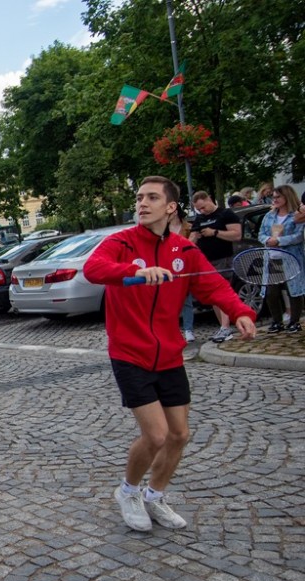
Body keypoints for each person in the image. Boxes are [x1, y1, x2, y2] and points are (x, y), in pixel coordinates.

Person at [83, 175, 256, 533]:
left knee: (179, 435)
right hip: (129, 354)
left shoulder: (184, 250)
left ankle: (155, 495)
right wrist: (135, 271)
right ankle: (128, 491)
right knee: (156, 435)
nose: (142, 204)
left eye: (151, 198)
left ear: (171, 206)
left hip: (169, 355)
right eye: (139, 198)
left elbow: (213, 285)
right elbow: (93, 269)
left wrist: (240, 312)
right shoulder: (120, 242)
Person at [189, 191, 242, 343]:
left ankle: (225, 326)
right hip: (206, 261)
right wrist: (193, 240)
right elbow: (192, 237)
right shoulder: (200, 218)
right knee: (213, 296)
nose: (202, 211)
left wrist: (215, 232)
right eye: (198, 209)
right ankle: (223, 327)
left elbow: (236, 235)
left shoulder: (225, 214)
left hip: (223, 258)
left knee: (221, 293)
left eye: (203, 207)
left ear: (209, 199)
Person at [258, 185, 305, 333]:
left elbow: (299, 236)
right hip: (273, 258)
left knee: (294, 290)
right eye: (273, 197)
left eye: (278, 196)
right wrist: (267, 240)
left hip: (291, 258)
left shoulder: (296, 215)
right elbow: (261, 233)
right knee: (271, 292)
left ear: (287, 197)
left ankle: (294, 322)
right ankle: (277, 321)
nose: (275, 199)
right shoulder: (269, 215)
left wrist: (280, 241)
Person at [168, 205, 196, 344]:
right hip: (168, 267)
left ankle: (188, 329)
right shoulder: (163, 229)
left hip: (184, 267)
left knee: (186, 300)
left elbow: (192, 247)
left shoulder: (188, 227)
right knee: (169, 301)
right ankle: (172, 330)